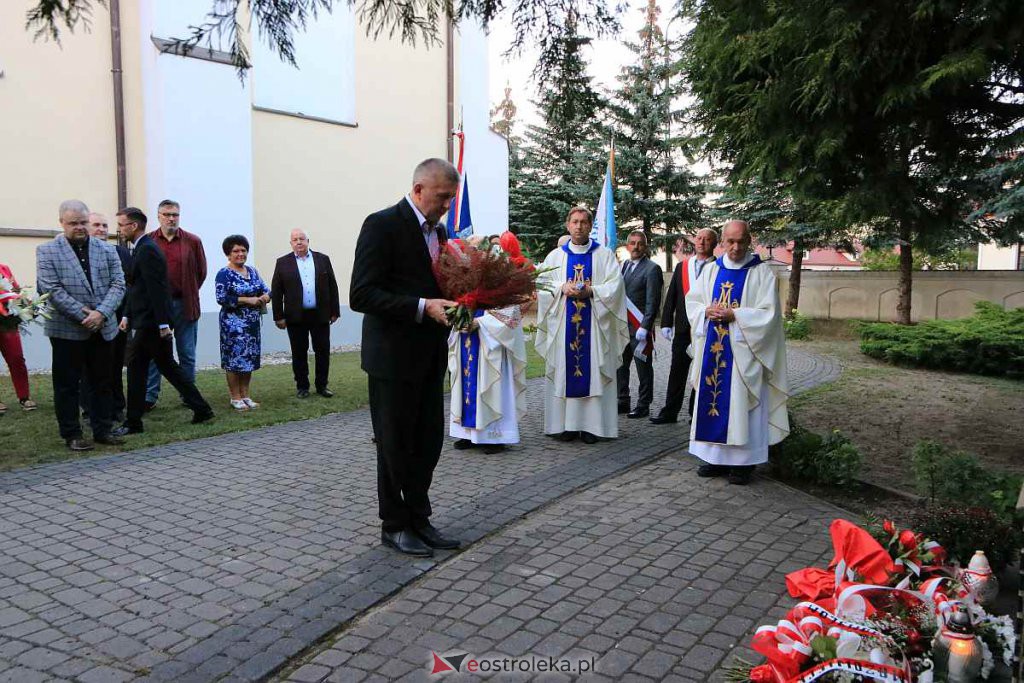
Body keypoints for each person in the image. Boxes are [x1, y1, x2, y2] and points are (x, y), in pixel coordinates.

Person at [349, 158, 461, 558]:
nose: (447, 205)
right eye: (442, 197)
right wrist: (421, 306)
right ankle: (394, 525)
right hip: (392, 360)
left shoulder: (440, 231)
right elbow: (361, 294)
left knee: (427, 442)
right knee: (395, 445)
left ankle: (418, 517)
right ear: (418, 190)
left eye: (451, 197)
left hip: (429, 355)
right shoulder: (381, 225)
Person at [685, 220, 789, 485]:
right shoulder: (711, 270)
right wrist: (704, 312)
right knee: (712, 400)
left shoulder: (761, 273)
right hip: (712, 349)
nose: (735, 247)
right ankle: (713, 458)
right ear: (722, 242)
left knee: (742, 405)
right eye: (730, 241)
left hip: (744, 353)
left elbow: (770, 316)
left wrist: (736, 315)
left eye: (741, 241)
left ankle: (743, 464)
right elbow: (693, 302)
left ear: (749, 241)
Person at [36, 200, 126, 451]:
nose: (80, 227)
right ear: (61, 223)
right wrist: (83, 315)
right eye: (73, 223)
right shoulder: (47, 251)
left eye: (83, 222)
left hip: (103, 327)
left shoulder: (107, 250)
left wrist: (101, 313)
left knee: (103, 382)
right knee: (67, 385)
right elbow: (51, 289)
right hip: (66, 330)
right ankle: (72, 433)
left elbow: (118, 284)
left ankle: (103, 429)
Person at [114, 207, 214, 434]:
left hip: (150, 323)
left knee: (139, 369)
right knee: (165, 366)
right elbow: (136, 287)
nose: (119, 230)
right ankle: (201, 408)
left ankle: (133, 422)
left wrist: (162, 324)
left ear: (134, 226)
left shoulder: (147, 250)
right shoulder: (143, 247)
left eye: (121, 225)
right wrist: (128, 315)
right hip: (145, 320)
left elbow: (157, 290)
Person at [535, 207, 628, 444]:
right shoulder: (555, 256)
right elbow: (542, 284)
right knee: (565, 371)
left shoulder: (604, 255)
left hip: (594, 328)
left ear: (590, 226)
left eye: (583, 222)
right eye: (574, 222)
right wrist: (560, 288)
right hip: (564, 326)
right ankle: (565, 426)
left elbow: (615, 287)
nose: (578, 226)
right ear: (568, 225)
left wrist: (592, 291)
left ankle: (592, 427)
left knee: (593, 371)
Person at [448, 232, 528, 454]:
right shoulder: (463, 277)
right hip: (467, 336)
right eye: (471, 250)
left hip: (489, 339)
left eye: (476, 249)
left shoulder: (502, 276)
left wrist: (481, 323)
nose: (473, 253)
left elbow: (511, 313)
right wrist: (459, 319)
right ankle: (467, 433)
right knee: (465, 384)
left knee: (490, 384)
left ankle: (494, 436)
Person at [651, 228, 718, 425]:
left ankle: (695, 413)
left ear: (714, 244)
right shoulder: (683, 266)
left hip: (706, 330)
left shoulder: (719, 268)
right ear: (694, 241)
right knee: (677, 372)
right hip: (682, 329)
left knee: (702, 371)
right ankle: (669, 412)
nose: (702, 242)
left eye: (707, 240)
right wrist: (665, 323)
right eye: (699, 238)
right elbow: (672, 295)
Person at [145, 199, 207, 411]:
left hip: (185, 304)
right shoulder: (149, 241)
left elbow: (201, 272)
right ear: (158, 216)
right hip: (157, 307)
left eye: (175, 215)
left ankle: (188, 394)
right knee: (155, 353)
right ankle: (149, 396)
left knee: (187, 353)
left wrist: (187, 290)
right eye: (167, 214)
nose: (171, 218)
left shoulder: (192, 241)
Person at [271, 229, 341, 399]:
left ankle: (322, 385)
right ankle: (302, 386)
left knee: (322, 351)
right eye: (295, 240)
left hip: (320, 314)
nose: (299, 242)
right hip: (295, 316)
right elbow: (277, 291)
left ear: (308, 240)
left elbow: (332, 285)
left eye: (301, 239)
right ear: (291, 244)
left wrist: (335, 310)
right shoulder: (282, 263)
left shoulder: (322, 259)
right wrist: (278, 316)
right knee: (299, 352)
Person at [81, 212, 132, 423]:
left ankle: (116, 406)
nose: (101, 229)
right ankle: (88, 408)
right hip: (85, 319)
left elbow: (129, 285)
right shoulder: (79, 253)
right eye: (96, 225)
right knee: (86, 368)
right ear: (87, 227)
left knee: (114, 365)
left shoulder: (120, 253)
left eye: (104, 225)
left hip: (116, 319)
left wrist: (126, 315)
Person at [215, 235, 270, 411]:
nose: (240, 254)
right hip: (233, 327)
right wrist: (247, 300)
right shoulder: (224, 274)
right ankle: (235, 397)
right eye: (236, 251)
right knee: (234, 361)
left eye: (243, 250)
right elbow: (222, 298)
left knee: (248, 360)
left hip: (252, 326)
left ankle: (245, 395)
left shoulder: (252, 271)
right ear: (228, 254)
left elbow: (266, 290)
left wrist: (265, 297)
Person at [616, 230, 663, 419]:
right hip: (622, 326)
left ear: (645, 247)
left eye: (640, 244)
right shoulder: (623, 266)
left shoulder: (652, 269)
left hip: (640, 328)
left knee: (643, 367)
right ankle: (622, 400)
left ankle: (643, 404)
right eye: (632, 243)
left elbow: (653, 301)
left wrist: (645, 326)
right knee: (621, 365)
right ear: (627, 246)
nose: (636, 247)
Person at [0, 263, 37, 414]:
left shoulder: (4, 268)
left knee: (16, 358)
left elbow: (15, 289)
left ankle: (24, 397)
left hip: (7, 322)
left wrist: (23, 303)